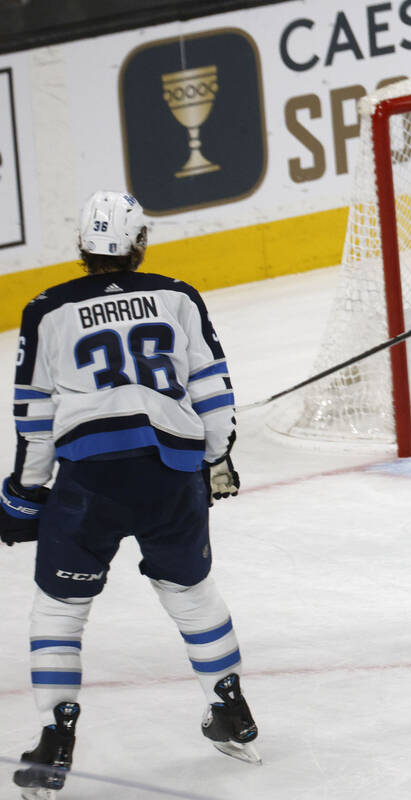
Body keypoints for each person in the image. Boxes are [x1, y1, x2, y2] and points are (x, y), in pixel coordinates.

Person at [0, 191, 259, 796]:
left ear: (81, 248)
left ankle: (55, 737)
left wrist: (24, 492)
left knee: (60, 608)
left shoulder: (46, 309)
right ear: (140, 243)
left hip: (91, 479)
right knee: (191, 593)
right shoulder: (177, 294)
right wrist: (215, 458)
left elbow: (34, 415)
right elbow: (213, 390)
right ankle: (231, 708)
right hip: (171, 470)